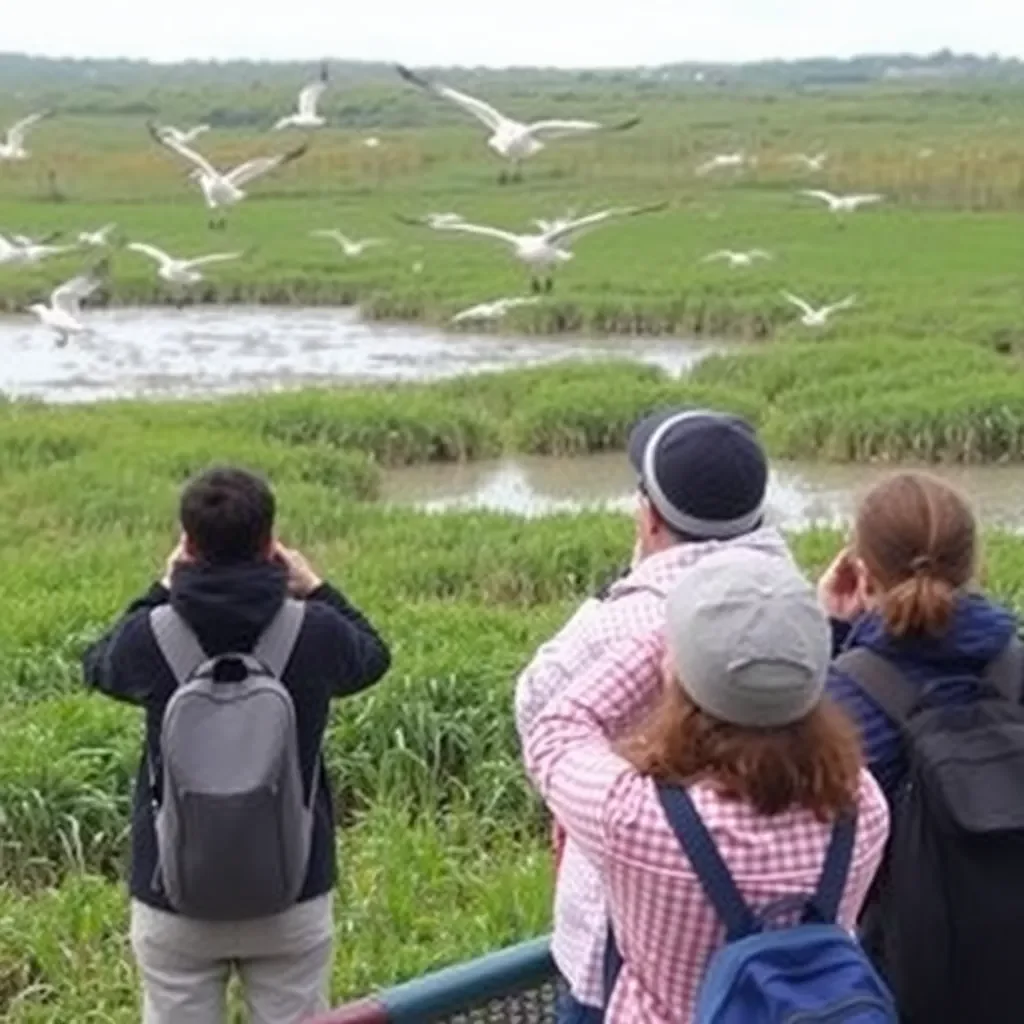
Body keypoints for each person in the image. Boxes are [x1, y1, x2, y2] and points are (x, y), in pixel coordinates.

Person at [522, 548, 890, 1023]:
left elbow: (555, 730)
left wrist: (670, 639)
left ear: (680, 672)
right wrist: (783, 638)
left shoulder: (636, 821)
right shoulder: (863, 807)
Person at [83, 466, 391, 1024]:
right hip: (292, 889)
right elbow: (373, 656)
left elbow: (97, 665)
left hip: (172, 895)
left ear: (188, 546)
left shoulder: (150, 635)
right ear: (271, 543)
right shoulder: (316, 631)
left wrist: (161, 587)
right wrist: (316, 585)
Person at [515, 407, 793, 1022]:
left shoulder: (627, 621)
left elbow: (540, 714)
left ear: (649, 514)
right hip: (779, 925)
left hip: (629, 936)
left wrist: (639, 604)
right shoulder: (790, 602)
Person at [820, 471, 1024, 1022]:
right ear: (976, 565)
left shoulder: (840, 698)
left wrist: (834, 637)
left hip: (903, 980)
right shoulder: (1017, 664)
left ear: (861, 572)